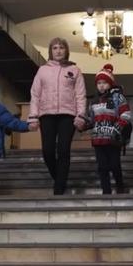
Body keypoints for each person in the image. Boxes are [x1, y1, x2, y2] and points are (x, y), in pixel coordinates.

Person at [28, 36, 87, 195]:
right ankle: (59, 179)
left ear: (66, 51)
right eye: (55, 48)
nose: (58, 50)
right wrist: (33, 116)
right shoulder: (42, 70)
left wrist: (81, 115)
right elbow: (35, 95)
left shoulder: (75, 70)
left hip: (68, 115)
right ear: (50, 51)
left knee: (63, 150)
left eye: (61, 47)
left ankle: (59, 188)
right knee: (47, 151)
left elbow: (80, 95)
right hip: (46, 115)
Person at [83, 63, 132, 194]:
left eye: (104, 82)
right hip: (98, 140)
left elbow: (126, 114)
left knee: (115, 166)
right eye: (99, 83)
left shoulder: (118, 97)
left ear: (110, 83)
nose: (101, 85)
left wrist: (117, 128)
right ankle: (106, 192)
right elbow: (91, 119)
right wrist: (82, 125)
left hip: (114, 139)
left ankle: (120, 187)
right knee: (102, 167)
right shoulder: (93, 101)